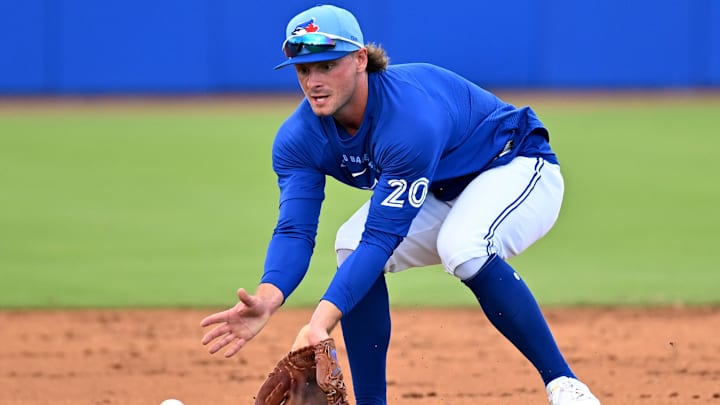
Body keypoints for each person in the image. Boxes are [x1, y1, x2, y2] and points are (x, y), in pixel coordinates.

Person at [200, 4, 601, 405]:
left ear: (360, 59)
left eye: (327, 65)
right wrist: (268, 297)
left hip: (517, 168)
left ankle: (565, 385)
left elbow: (383, 237)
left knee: (462, 247)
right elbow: (294, 230)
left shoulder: (409, 118)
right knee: (350, 243)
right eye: (304, 70)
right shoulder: (298, 138)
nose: (314, 81)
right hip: (440, 189)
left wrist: (318, 325)